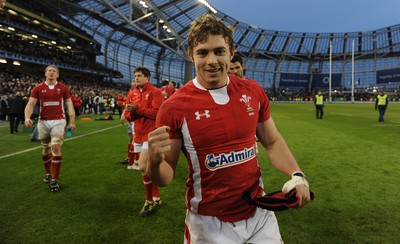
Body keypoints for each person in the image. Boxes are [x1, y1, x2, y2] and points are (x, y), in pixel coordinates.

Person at [145, 14, 312, 243]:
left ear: (231, 53)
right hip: (208, 225)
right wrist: (153, 163)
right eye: (203, 52)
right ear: (191, 55)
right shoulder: (174, 107)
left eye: (219, 51)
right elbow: (165, 177)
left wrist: (297, 175)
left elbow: (272, 142)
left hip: (259, 214)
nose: (211, 61)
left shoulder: (252, 91)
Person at [24, 65, 76, 192]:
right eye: (49, 70)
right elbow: (30, 104)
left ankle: (55, 180)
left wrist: (72, 121)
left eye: (54, 71)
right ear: (45, 73)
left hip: (59, 121)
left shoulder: (63, 88)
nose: (51, 72)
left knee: (56, 146)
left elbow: (69, 105)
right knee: (45, 148)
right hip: (43, 122)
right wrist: (27, 117)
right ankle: (48, 174)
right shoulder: (38, 88)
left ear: (57, 75)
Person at [124, 66, 164, 217]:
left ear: (147, 77)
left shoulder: (155, 92)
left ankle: (149, 201)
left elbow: (157, 113)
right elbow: (129, 115)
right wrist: (131, 113)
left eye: (139, 76)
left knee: (142, 166)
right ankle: (157, 196)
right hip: (138, 134)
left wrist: (137, 109)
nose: (136, 78)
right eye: (135, 76)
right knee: (147, 168)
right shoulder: (132, 93)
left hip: (151, 134)